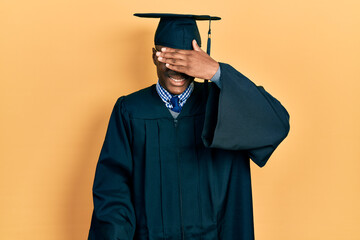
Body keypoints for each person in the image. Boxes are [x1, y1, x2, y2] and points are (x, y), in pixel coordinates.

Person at [88, 13, 290, 240]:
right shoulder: (131, 111)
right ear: (154, 56)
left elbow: (276, 124)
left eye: (187, 59)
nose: (177, 68)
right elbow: (113, 193)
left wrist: (218, 72)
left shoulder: (225, 106)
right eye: (168, 56)